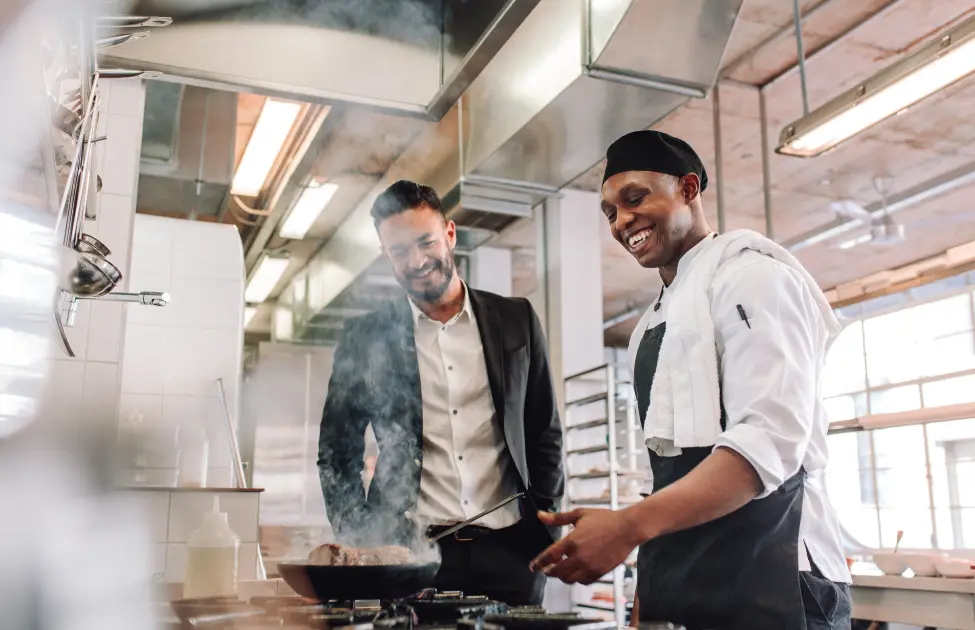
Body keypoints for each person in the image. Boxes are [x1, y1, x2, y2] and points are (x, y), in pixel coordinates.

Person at [530, 130, 852, 629]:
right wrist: (649, 588)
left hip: (778, 580)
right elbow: (669, 472)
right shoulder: (651, 328)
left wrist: (627, 528)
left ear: (687, 189)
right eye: (610, 212)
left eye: (635, 198)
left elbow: (765, 445)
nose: (622, 221)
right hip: (692, 583)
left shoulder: (753, 280)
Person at [318, 180, 563, 606]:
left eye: (425, 242)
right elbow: (337, 453)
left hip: (512, 555)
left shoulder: (516, 319)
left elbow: (544, 432)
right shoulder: (364, 337)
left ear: (449, 234)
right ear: (385, 255)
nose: (415, 261)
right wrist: (363, 542)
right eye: (398, 251)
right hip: (410, 557)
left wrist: (545, 528)